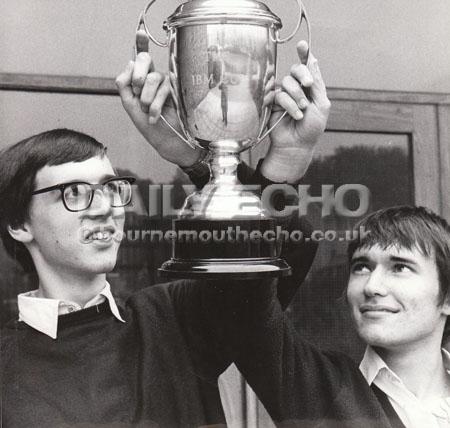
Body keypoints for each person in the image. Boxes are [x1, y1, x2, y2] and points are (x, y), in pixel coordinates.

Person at [0, 39, 330, 427]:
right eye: (75, 193)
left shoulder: (172, 322)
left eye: (112, 188)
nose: (107, 207)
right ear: (20, 225)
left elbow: (272, 258)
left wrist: (205, 162)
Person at [229, 206, 450, 428]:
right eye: (362, 267)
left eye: (400, 267)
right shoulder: (319, 391)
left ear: (447, 299)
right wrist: (278, 183)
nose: (372, 286)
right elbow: (249, 311)